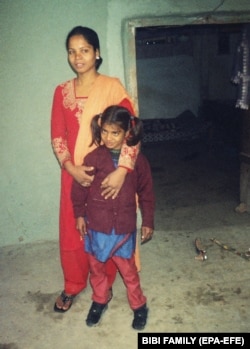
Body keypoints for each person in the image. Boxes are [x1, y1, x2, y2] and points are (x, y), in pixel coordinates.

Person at [51, 26, 140, 312]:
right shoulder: (61, 91)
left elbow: (132, 130)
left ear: (96, 53)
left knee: (107, 227)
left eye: (84, 50)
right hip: (74, 174)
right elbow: (58, 136)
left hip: (108, 174)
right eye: (72, 51)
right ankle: (73, 285)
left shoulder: (112, 87)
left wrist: (122, 170)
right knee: (73, 230)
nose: (78, 57)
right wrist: (71, 168)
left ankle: (107, 285)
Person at [71, 105, 155, 330]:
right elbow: (79, 188)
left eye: (115, 133)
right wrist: (79, 214)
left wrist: (147, 221)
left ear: (128, 132)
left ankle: (139, 306)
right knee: (96, 268)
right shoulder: (94, 157)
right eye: (105, 131)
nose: (108, 138)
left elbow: (146, 192)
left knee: (128, 270)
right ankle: (100, 299)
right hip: (96, 225)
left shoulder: (138, 161)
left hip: (123, 227)